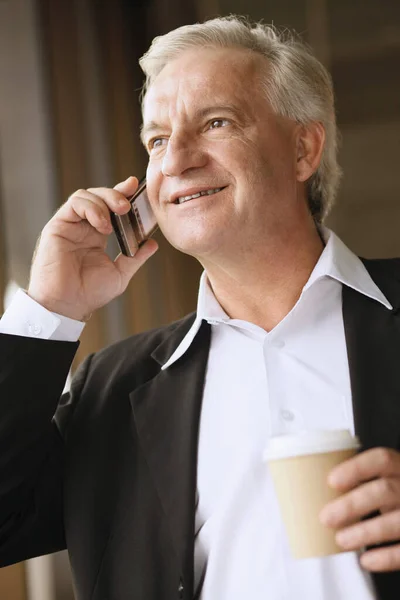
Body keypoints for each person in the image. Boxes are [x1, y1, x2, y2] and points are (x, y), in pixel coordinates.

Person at [0, 15, 400, 600]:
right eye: (158, 139)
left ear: (302, 149)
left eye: (216, 123)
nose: (175, 160)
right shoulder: (113, 389)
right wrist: (49, 310)